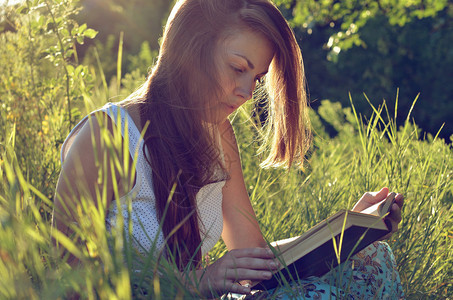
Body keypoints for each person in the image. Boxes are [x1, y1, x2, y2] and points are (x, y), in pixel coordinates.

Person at [53, 0, 405, 298]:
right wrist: (194, 282)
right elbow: (70, 283)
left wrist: (343, 232)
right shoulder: (106, 137)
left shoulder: (218, 134)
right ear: (190, 47)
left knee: (374, 259)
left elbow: (253, 258)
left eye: (256, 78)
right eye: (237, 68)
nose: (247, 92)